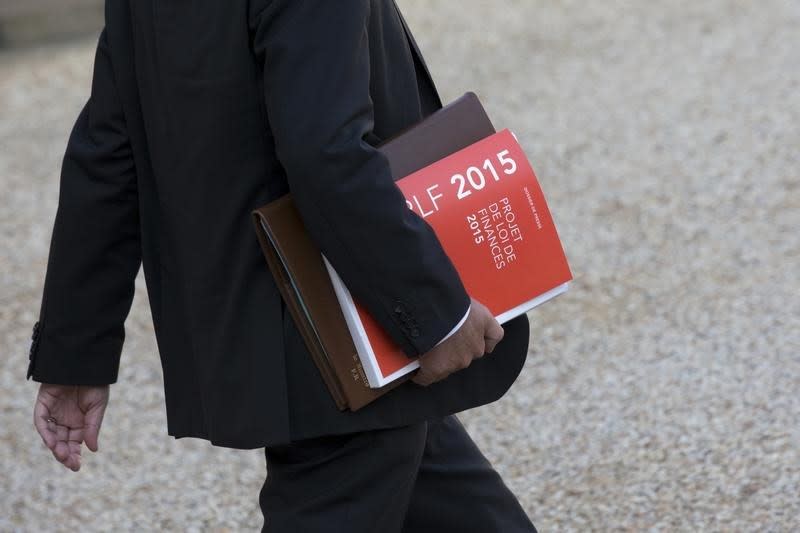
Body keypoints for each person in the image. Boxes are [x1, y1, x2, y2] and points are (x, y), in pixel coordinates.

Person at [27, 1, 537, 531]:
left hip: (289, 334)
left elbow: (108, 149)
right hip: (344, 331)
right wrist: (437, 317)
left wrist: (76, 352)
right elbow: (328, 153)